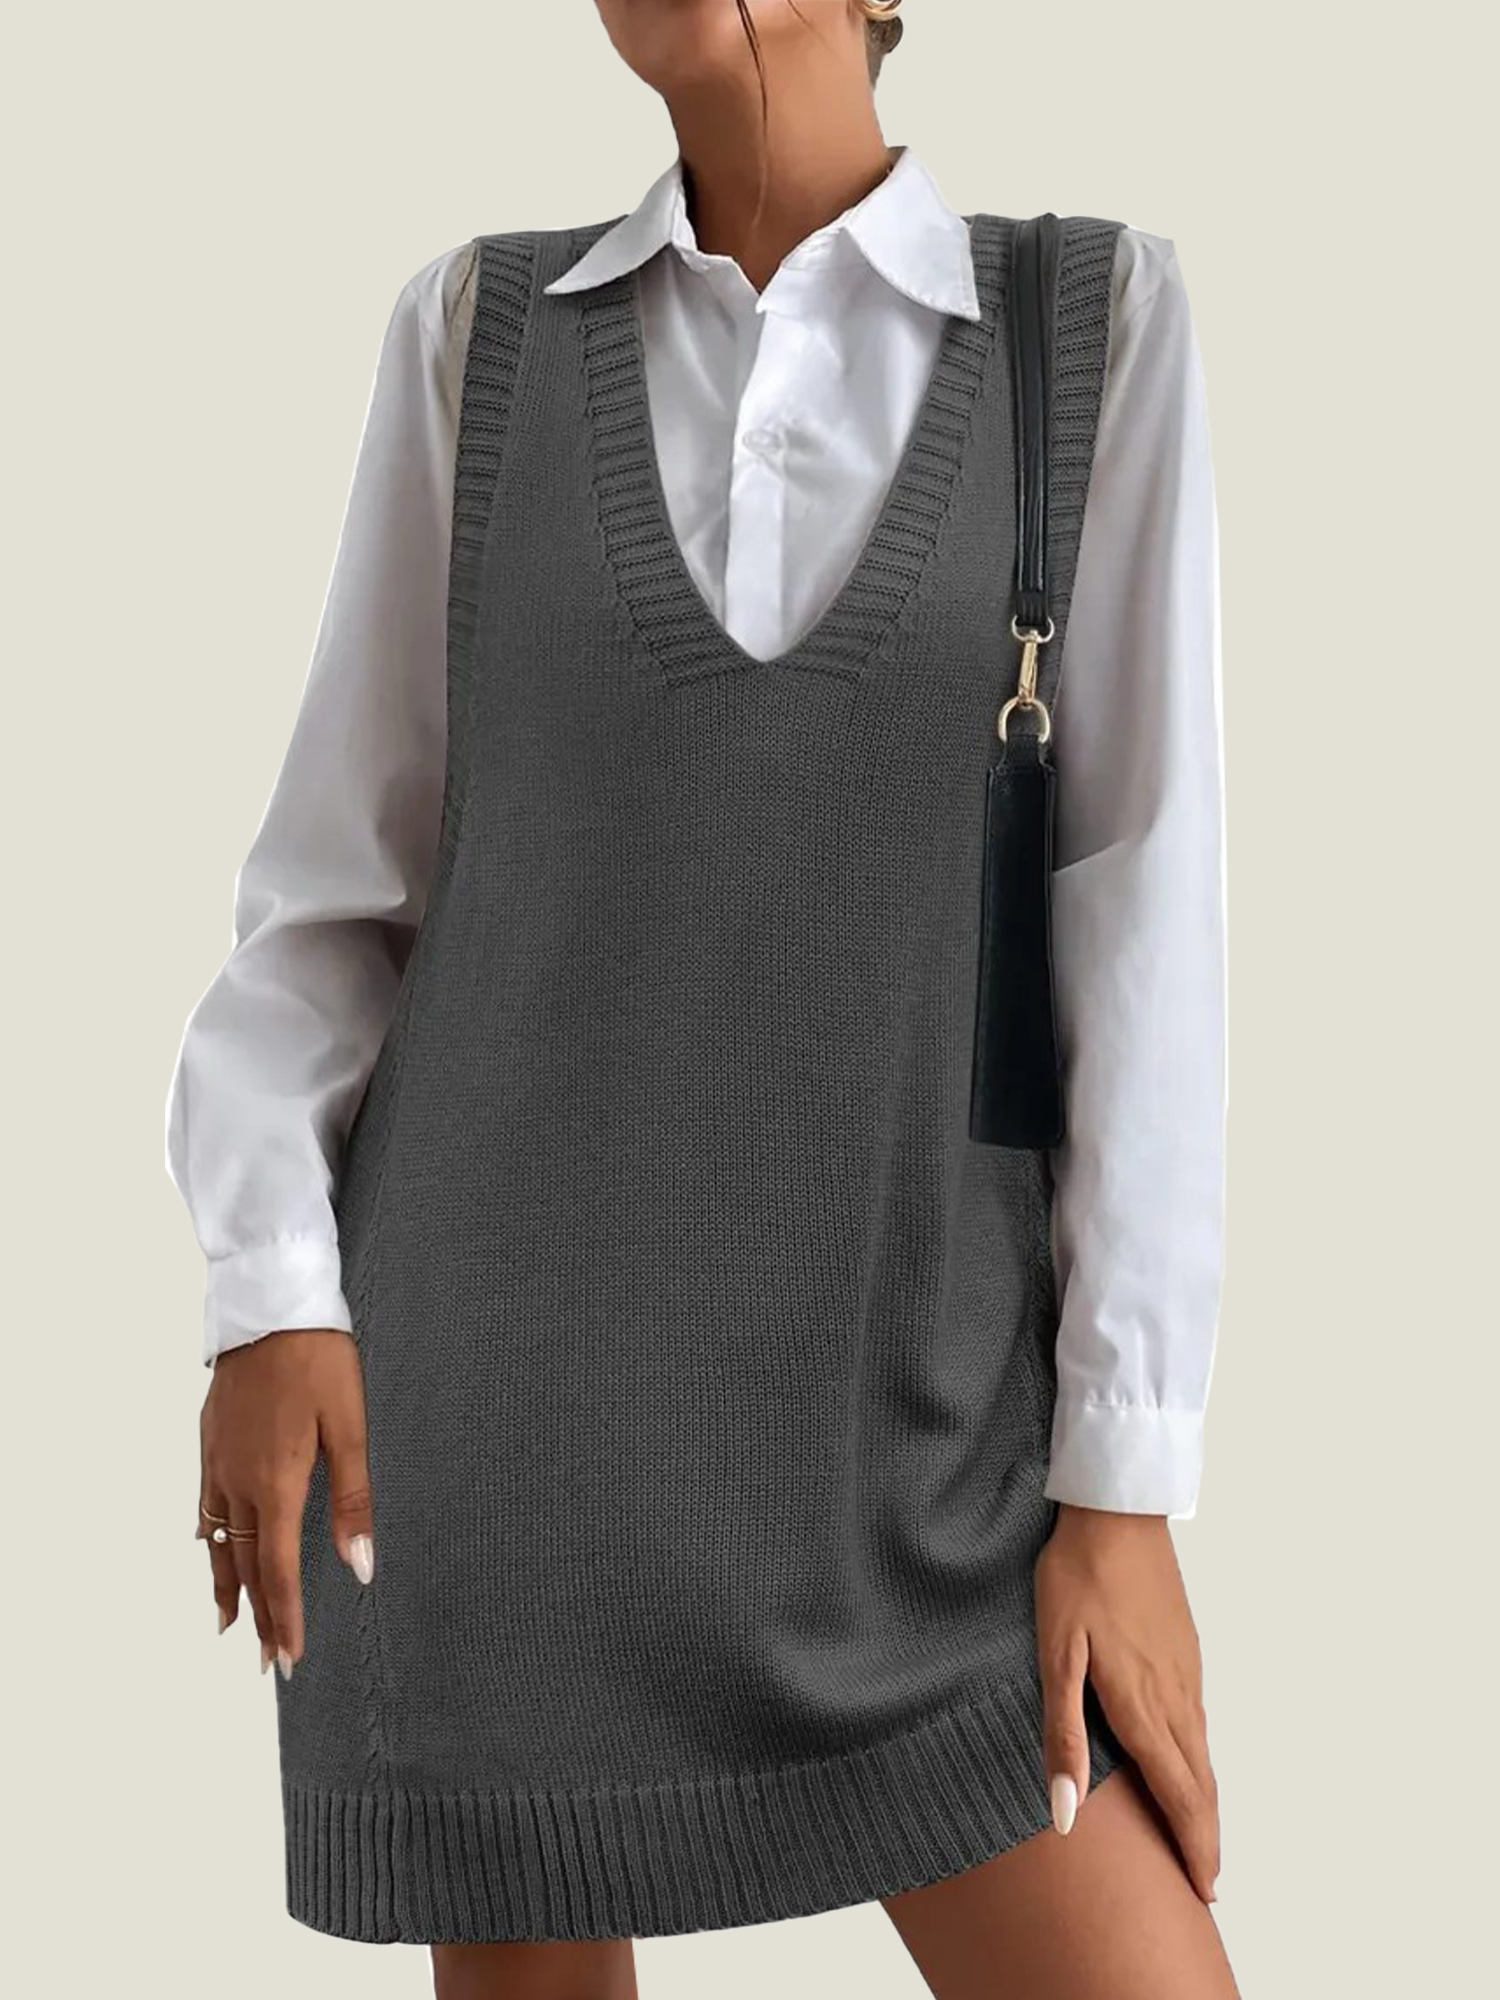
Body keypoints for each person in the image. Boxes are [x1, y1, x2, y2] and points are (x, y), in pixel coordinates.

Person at [165, 4, 1235, 1995]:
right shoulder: (478, 338)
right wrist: (271, 1295)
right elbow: (331, 905)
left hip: (920, 1470)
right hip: (491, 1455)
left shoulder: (1086, 331)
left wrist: (1125, 1487)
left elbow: (1145, 936)